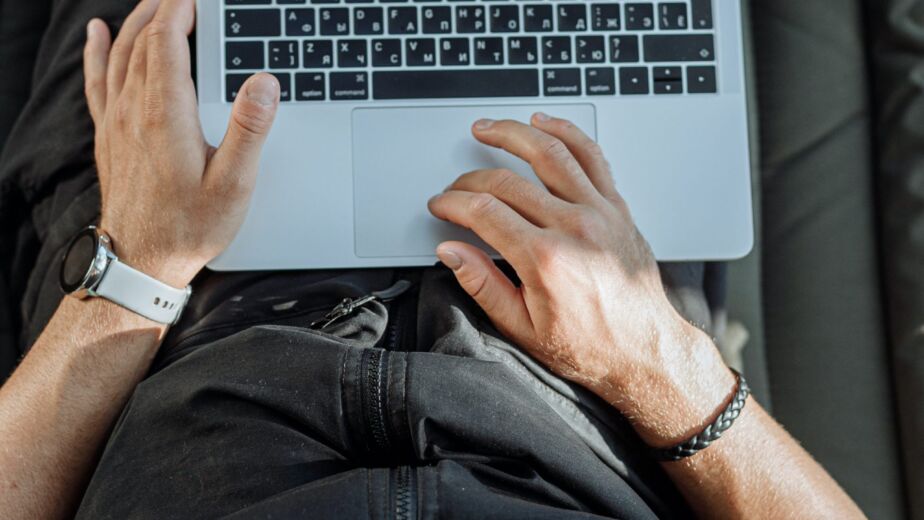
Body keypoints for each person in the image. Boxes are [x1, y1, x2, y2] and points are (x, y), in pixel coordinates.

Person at [0, 0, 866, 518]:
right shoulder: (635, 350)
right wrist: (657, 359)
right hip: (588, 333)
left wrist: (134, 275)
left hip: (167, 309)